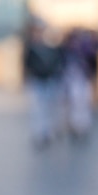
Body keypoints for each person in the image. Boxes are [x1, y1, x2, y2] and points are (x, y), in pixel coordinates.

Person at [22, 18, 65, 149]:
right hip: (37, 80)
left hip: (49, 80)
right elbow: (26, 64)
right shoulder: (31, 47)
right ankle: (39, 133)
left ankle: (47, 132)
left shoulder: (51, 46)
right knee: (38, 108)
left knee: (49, 108)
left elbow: (58, 62)